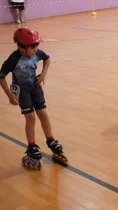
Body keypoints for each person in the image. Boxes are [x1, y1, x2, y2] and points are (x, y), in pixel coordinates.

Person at [0, 27, 67, 169]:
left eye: (37, 47)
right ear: (22, 48)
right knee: (30, 118)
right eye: (33, 47)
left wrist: (43, 73)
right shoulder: (13, 59)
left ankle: (50, 140)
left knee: (43, 114)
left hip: (35, 86)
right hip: (22, 91)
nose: (36, 50)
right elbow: (1, 76)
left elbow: (47, 58)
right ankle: (31, 146)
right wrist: (9, 94)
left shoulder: (37, 53)